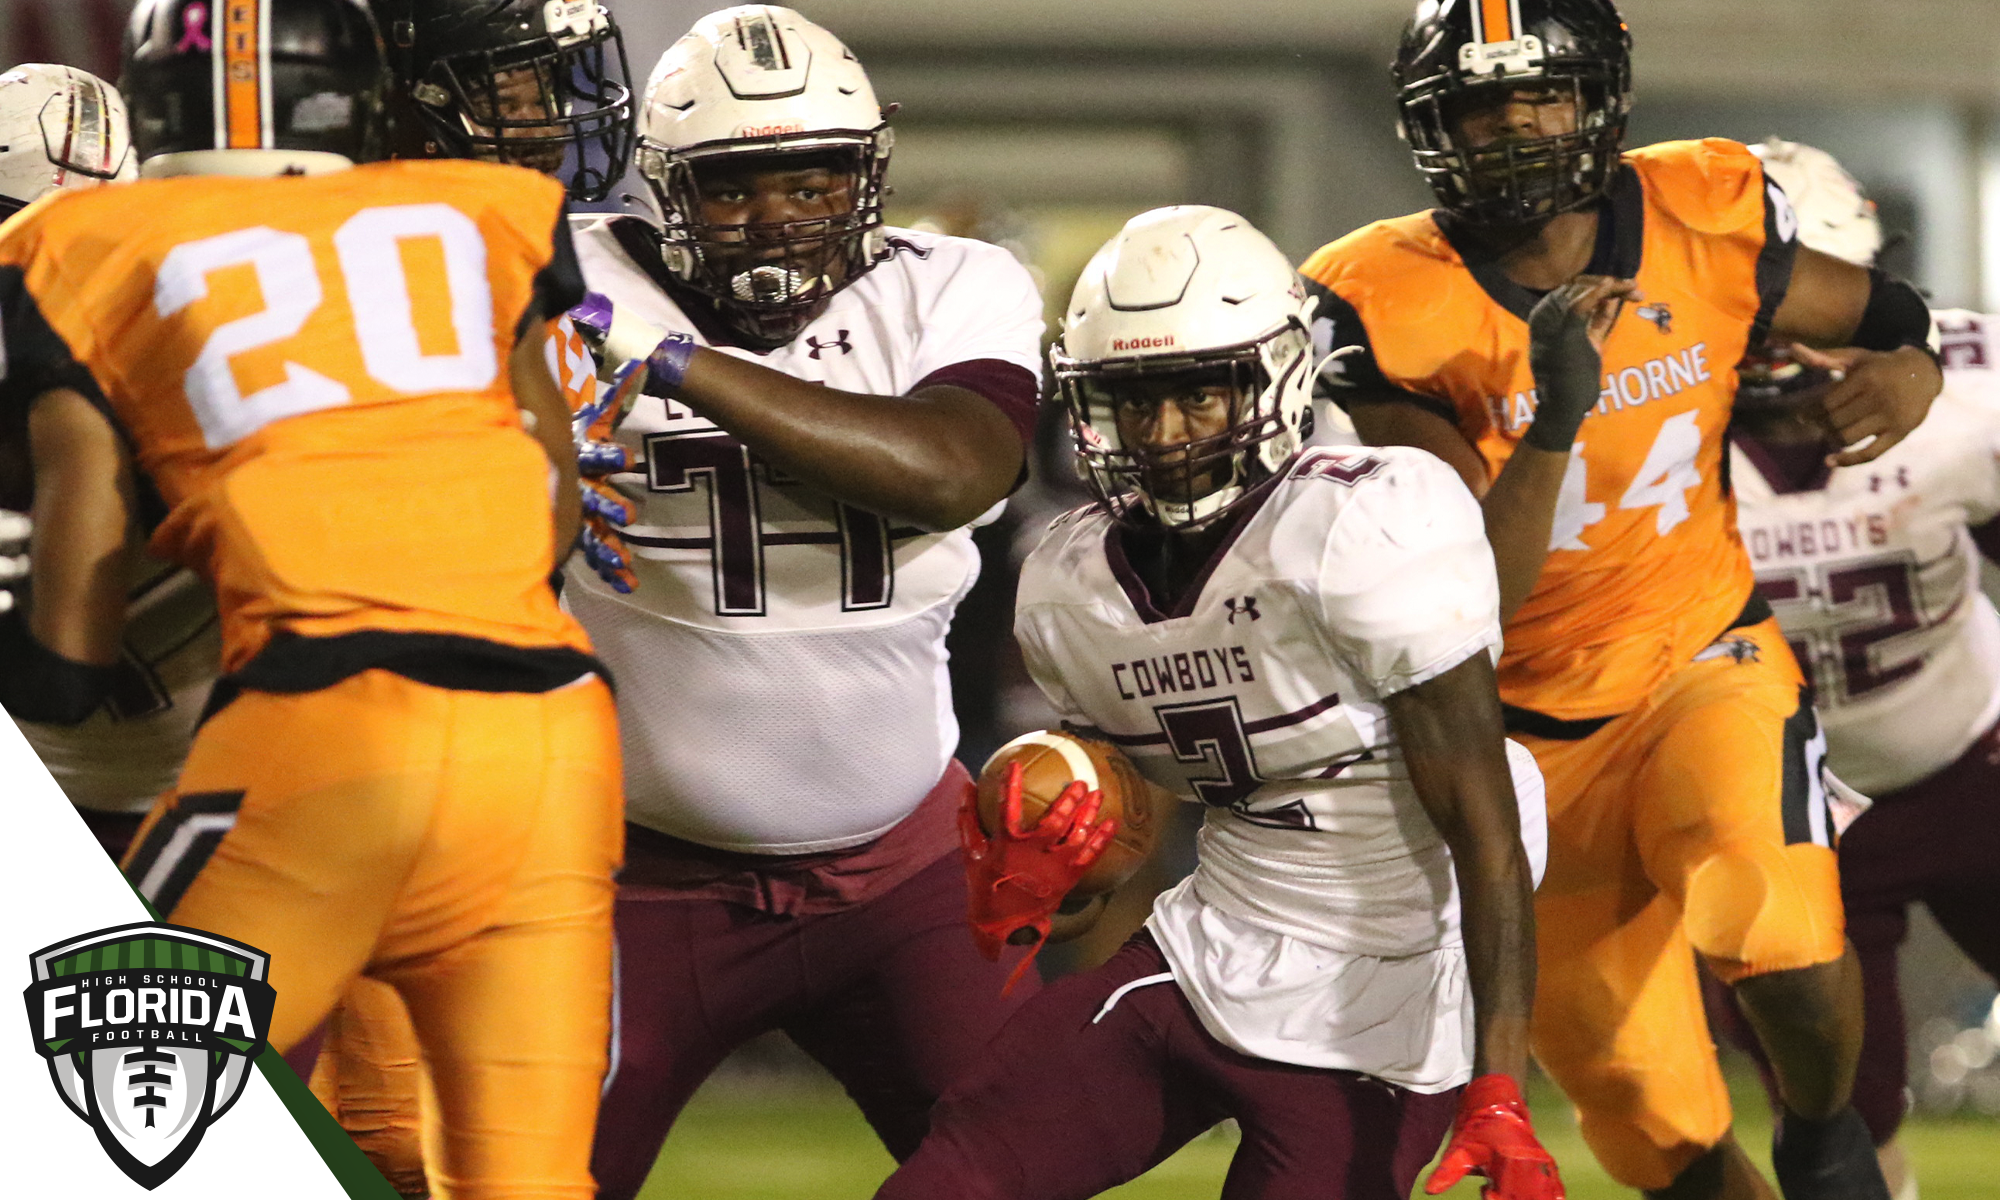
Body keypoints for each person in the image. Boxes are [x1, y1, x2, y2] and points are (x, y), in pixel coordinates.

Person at [1298, 2, 1941, 1197]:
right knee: (1656, 1127)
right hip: (1507, 738)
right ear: (1428, 127)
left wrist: (1913, 365)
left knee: (1779, 939)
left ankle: (1824, 1134)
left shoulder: (1703, 205)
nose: (1512, 127)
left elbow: (1881, 317)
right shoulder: (1376, 296)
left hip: (1697, 658)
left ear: (1597, 98)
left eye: (1536, 93)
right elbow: (1468, 590)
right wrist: (1551, 415)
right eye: (1479, 103)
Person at [0, 3, 622, 1197]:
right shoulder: (473, 213)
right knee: (501, 1177)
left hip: (324, 730)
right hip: (547, 741)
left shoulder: (93, 246)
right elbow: (548, 514)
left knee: (90, 1120)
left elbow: (67, 658)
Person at [875, 204, 1557, 1200]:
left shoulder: (1365, 527)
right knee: (950, 1183)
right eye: (1132, 401)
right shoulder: (1072, 583)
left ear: (1273, 379)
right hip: (1213, 942)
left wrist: (1497, 1084)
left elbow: (1487, 832)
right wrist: (1048, 887)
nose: (1162, 434)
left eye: (1197, 396)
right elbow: (1125, 836)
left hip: (1387, 993)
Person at [554, 8, 1046, 1196]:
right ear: (667, 190)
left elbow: (952, 470)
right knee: (516, 1177)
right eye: (734, 187)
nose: (776, 215)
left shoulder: (954, 284)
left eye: (813, 176)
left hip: (907, 873)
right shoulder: (560, 272)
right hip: (636, 875)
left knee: (1022, 1172)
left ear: (868, 175)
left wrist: (673, 365)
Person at [1720, 138, 2000, 1200]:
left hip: (1968, 751)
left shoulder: (1963, 392)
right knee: (1837, 1118)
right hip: (1778, 813)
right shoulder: (1643, 432)